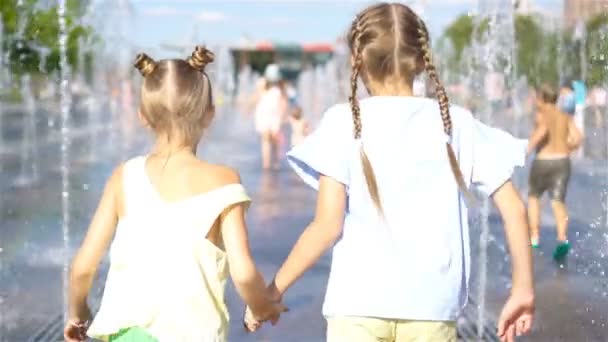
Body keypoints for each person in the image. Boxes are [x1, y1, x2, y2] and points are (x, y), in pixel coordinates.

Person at [245, 3, 534, 342]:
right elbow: (514, 208)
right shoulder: (455, 122)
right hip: (432, 307)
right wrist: (523, 290)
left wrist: (273, 291)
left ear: (357, 60)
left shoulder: (343, 122)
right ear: (422, 60)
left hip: (358, 304)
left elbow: (326, 226)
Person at [63, 46, 285, 342]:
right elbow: (243, 273)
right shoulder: (224, 180)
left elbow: (82, 267)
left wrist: (79, 313)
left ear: (143, 116)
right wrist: (261, 307)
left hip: (128, 335)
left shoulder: (123, 177)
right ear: (210, 115)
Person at [527, 83, 583, 261]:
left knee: (534, 198)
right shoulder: (565, 115)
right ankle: (561, 239)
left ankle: (534, 237)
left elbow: (541, 132)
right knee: (558, 201)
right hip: (562, 161)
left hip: (543, 162)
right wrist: (566, 147)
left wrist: (526, 149)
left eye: (537, 98)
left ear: (542, 99)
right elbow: (578, 138)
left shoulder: (542, 114)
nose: (536, 101)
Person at [254, 64, 289, 170]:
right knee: (265, 138)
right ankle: (266, 163)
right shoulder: (262, 83)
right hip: (263, 114)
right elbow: (256, 97)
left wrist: (283, 115)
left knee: (275, 138)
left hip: (275, 115)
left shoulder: (281, 85)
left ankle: (275, 160)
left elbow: (284, 101)